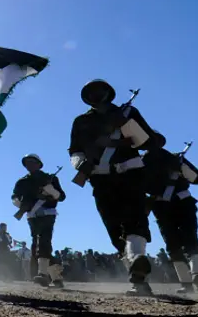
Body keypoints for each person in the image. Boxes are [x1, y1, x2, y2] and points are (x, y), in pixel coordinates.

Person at [68, 79, 159, 296]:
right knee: (112, 227)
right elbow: (75, 151)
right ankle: (136, 272)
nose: (96, 94)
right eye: (91, 91)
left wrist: (126, 128)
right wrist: (81, 165)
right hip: (101, 180)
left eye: (100, 90)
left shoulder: (128, 113)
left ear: (109, 92)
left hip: (130, 174)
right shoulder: (81, 121)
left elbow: (151, 143)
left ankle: (138, 263)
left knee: (134, 219)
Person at [143, 133, 198, 293]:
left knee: (188, 240)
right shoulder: (143, 163)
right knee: (174, 245)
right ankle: (188, 282)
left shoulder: (174, 159)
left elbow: (197, 178)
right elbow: (142, 186)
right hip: (163, 206)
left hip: (180, 202)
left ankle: (196, 276)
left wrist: (180, 167)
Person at [12, 154, 66, 288]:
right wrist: (22, 206)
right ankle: (56, 277)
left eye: (32, 162)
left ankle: (42, 274)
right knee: (38, 243)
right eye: (27, 163)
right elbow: (14, 197)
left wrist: (50, 191)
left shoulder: (50, 179)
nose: (29, 165)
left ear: (39, 164)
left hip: (48, 214)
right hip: (32, 215)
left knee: (43, 240)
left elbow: (61, 197)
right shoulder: (22, 182)